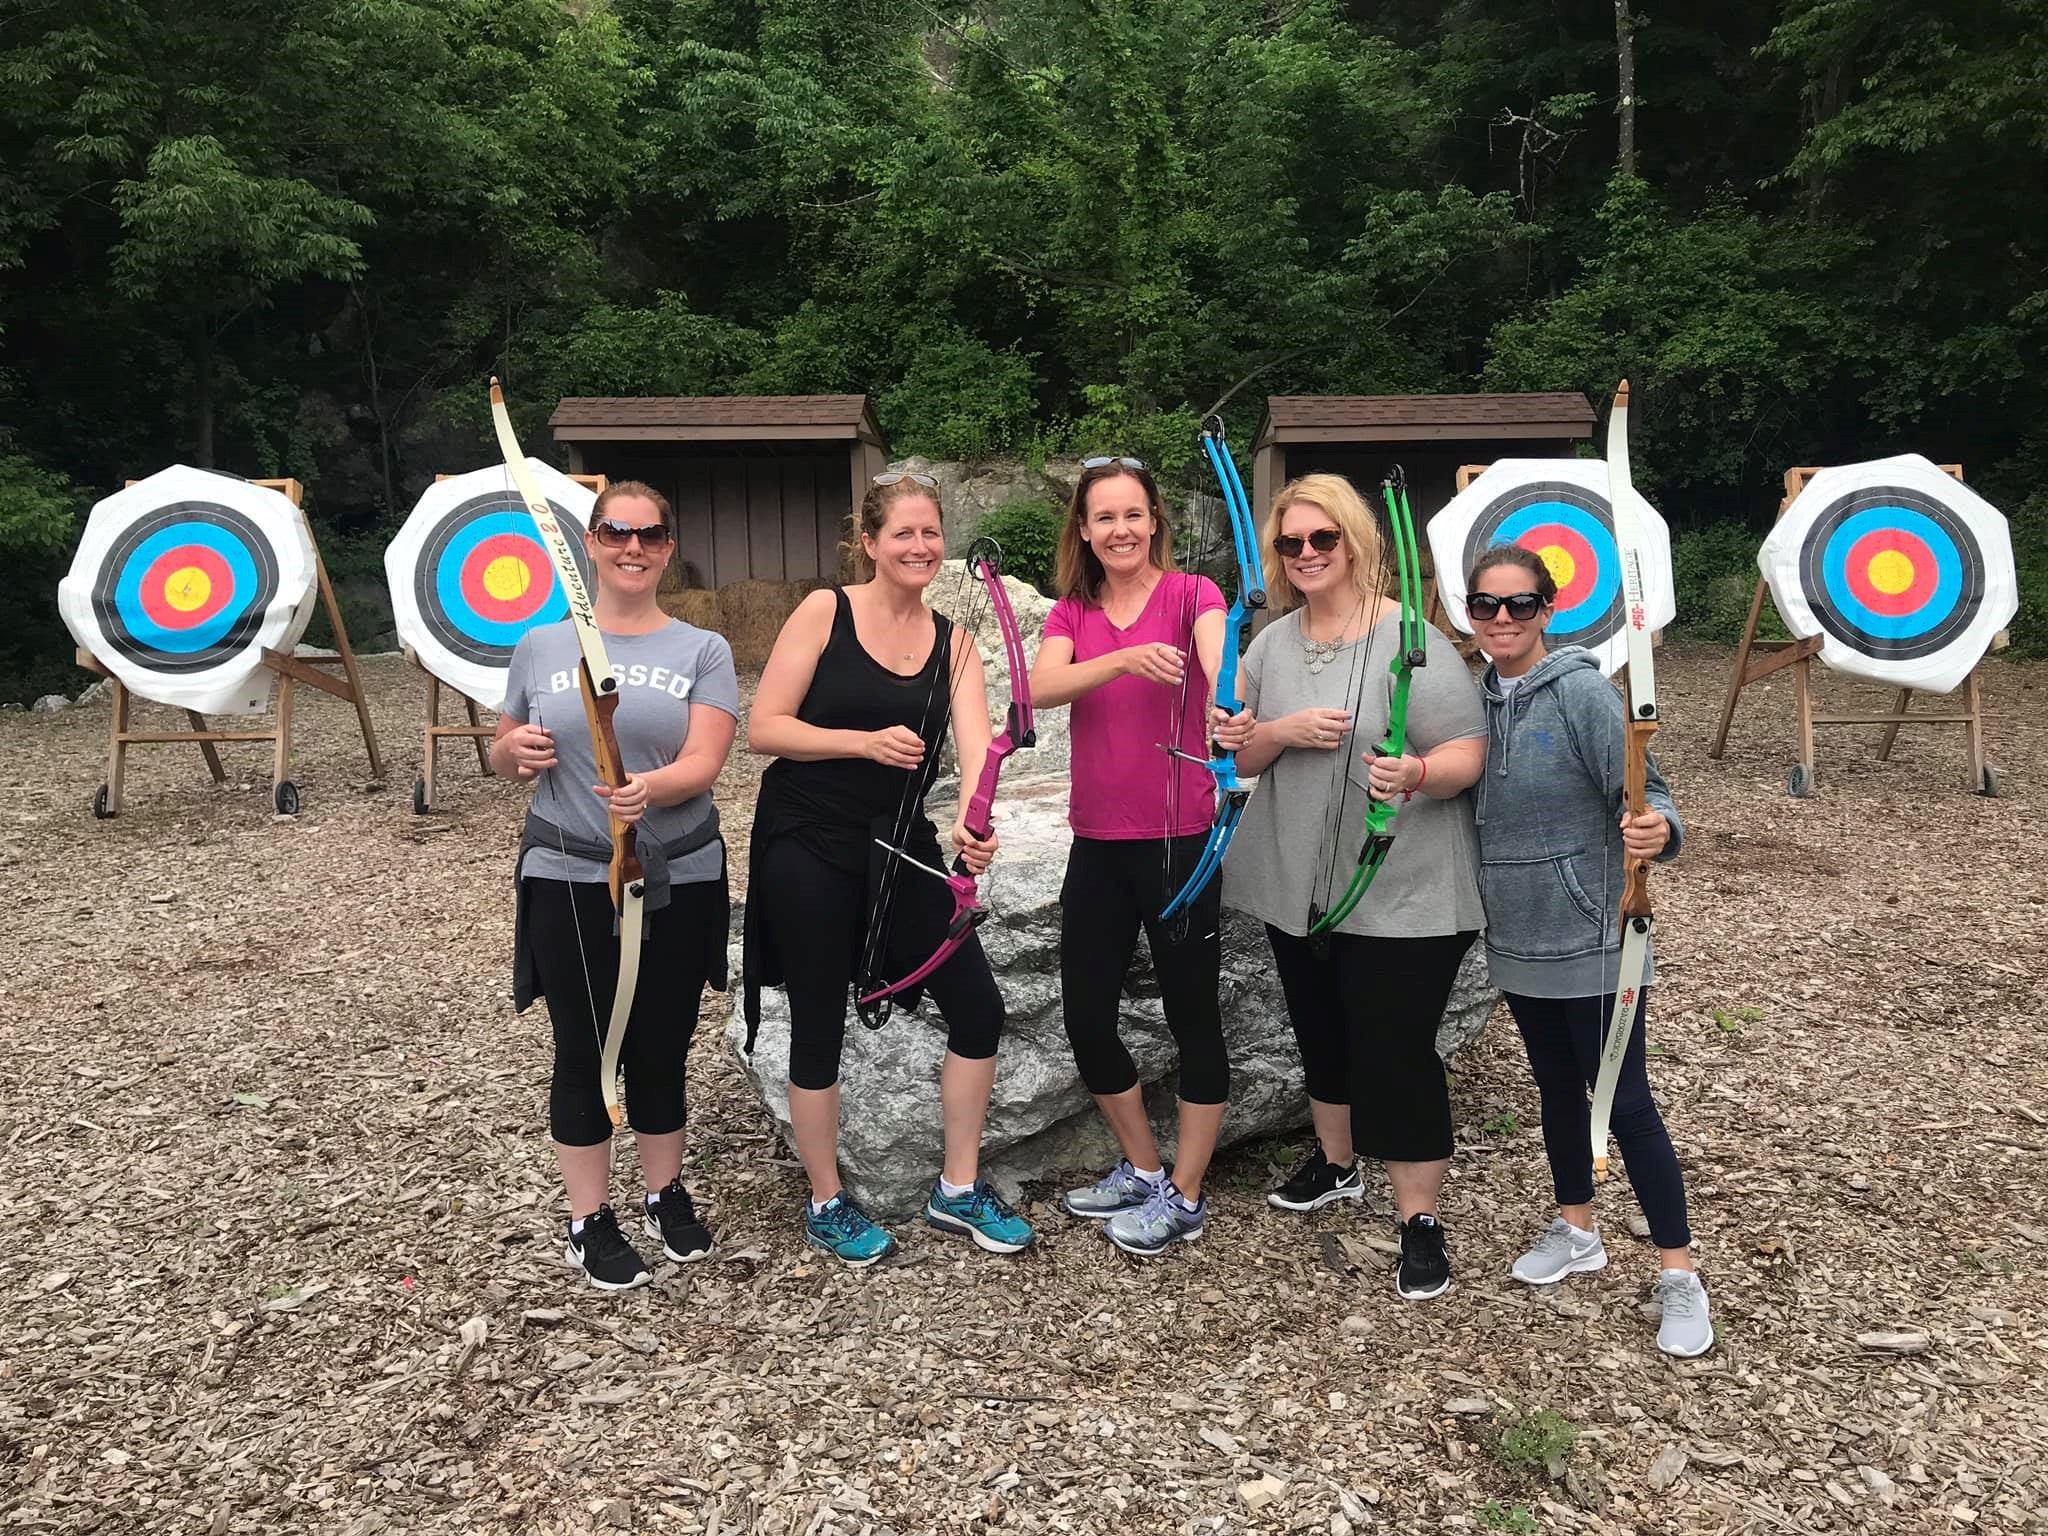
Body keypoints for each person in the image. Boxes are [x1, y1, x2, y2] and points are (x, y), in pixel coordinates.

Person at [742, 472, 1032, 1266]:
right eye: (901, 533)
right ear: (868, 542)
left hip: (902, 844)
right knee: (820, 1022)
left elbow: (978, 749)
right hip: (806, 838)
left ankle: (958, 1189)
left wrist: (979, 825)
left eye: (930, 533)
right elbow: (764, 728)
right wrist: (861, 743)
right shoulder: (824, 612)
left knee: (978, 1007)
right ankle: (826, 1199)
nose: (919, 547)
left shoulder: (957, 639)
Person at [1222, 472, 1487, 1300]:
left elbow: (1467, 753)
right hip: (1299, 879)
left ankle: (1419, 1220)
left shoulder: (1414, 641)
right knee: (1321, 1028)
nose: (1306, 555)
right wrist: (1272, 730)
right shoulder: (1269, 645)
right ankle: (1338, 1164)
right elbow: (1240, 760)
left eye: (1322, 539)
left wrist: (1414, 771)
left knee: (1396, 1050)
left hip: (1402, 885)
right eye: (1291, 543)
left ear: (1354, 542)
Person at [494, 480, 740, 1291]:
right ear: (591, 542)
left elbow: (707, 760)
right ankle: (588, 1217)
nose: (632, 546)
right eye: (616, 531)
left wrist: (652, 789)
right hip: (568, 871)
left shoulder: (702, 648)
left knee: (662, 1042)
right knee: (587, 1046)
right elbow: (503, 747)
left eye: (650, 534)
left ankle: (665, 1194)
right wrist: (513, 751)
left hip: (677, 874)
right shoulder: (540, 646)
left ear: (668, 547)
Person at [1464, 546, 1710, 1356]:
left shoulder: (1580, 693)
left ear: (1549, 609)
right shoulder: (1472, 700)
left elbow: (1651, 795)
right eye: (1486, 604)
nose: (1503, 619)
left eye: (1520, 605)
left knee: (1624, 1102)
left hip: (1594, 936)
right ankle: (1578, 1229)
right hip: (1519, 938)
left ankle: (1678, 1272)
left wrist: (1656, 829)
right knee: (1555, 1089)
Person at [1030, 456, 1254, 1256]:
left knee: (1194, 1019)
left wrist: (1227, 703)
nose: (1120, 530)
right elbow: (1041, 688)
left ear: (1154, 520)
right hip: (1098, 842)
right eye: (1104, 518)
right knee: (1087, 1019)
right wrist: (1125, 658)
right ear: (1084, 531)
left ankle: (1186, 1195)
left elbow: (1217, 660)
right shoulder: (1070, 613)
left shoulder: (1196, 596)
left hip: (1181, 841)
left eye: (1133, 515)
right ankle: (1146, 1169)